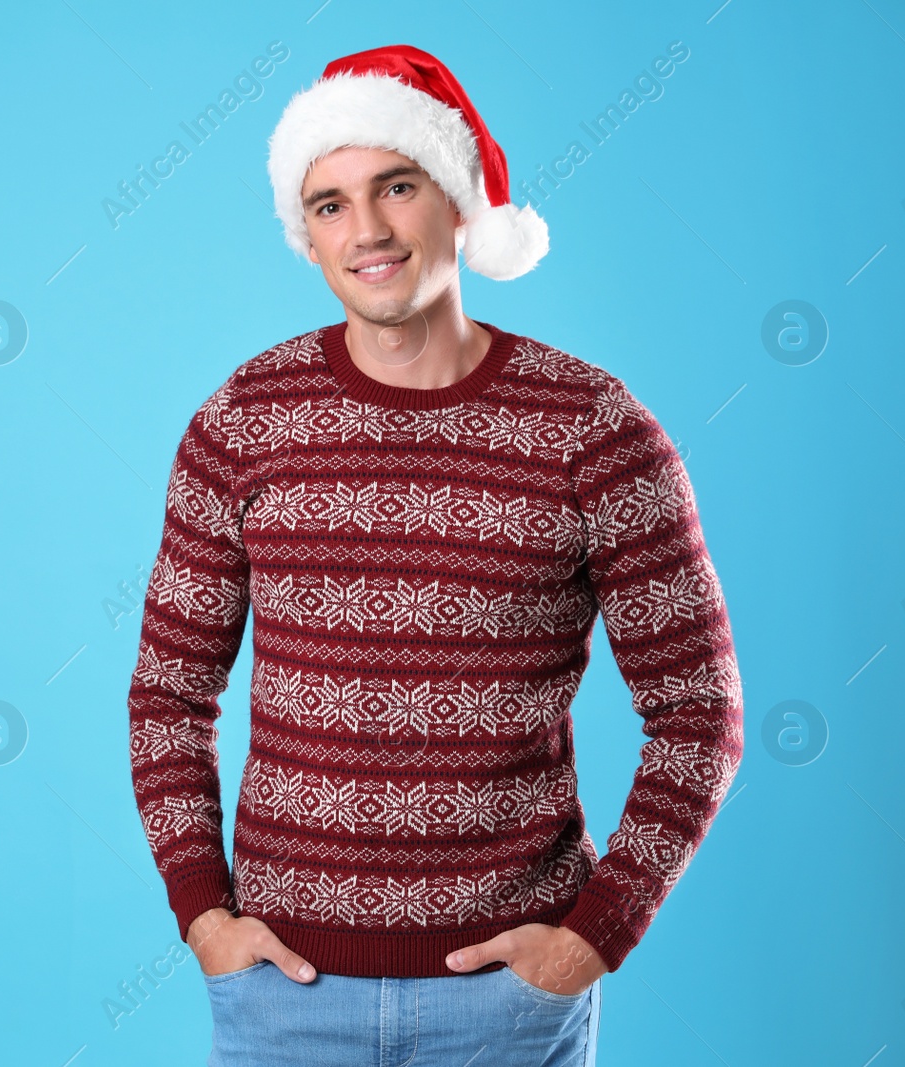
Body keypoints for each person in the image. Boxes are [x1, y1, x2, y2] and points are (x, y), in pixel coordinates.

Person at [126, 43, 743, 1067]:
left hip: (507, 1006)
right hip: (284, 995)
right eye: (328, 204)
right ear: (307, 236)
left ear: (455, 199)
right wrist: (202, 914)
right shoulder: (240, 421)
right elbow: (167, 694)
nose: (365, 229)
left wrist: (594, 935)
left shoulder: (592, 425)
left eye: (395, 187)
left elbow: (699, 709)